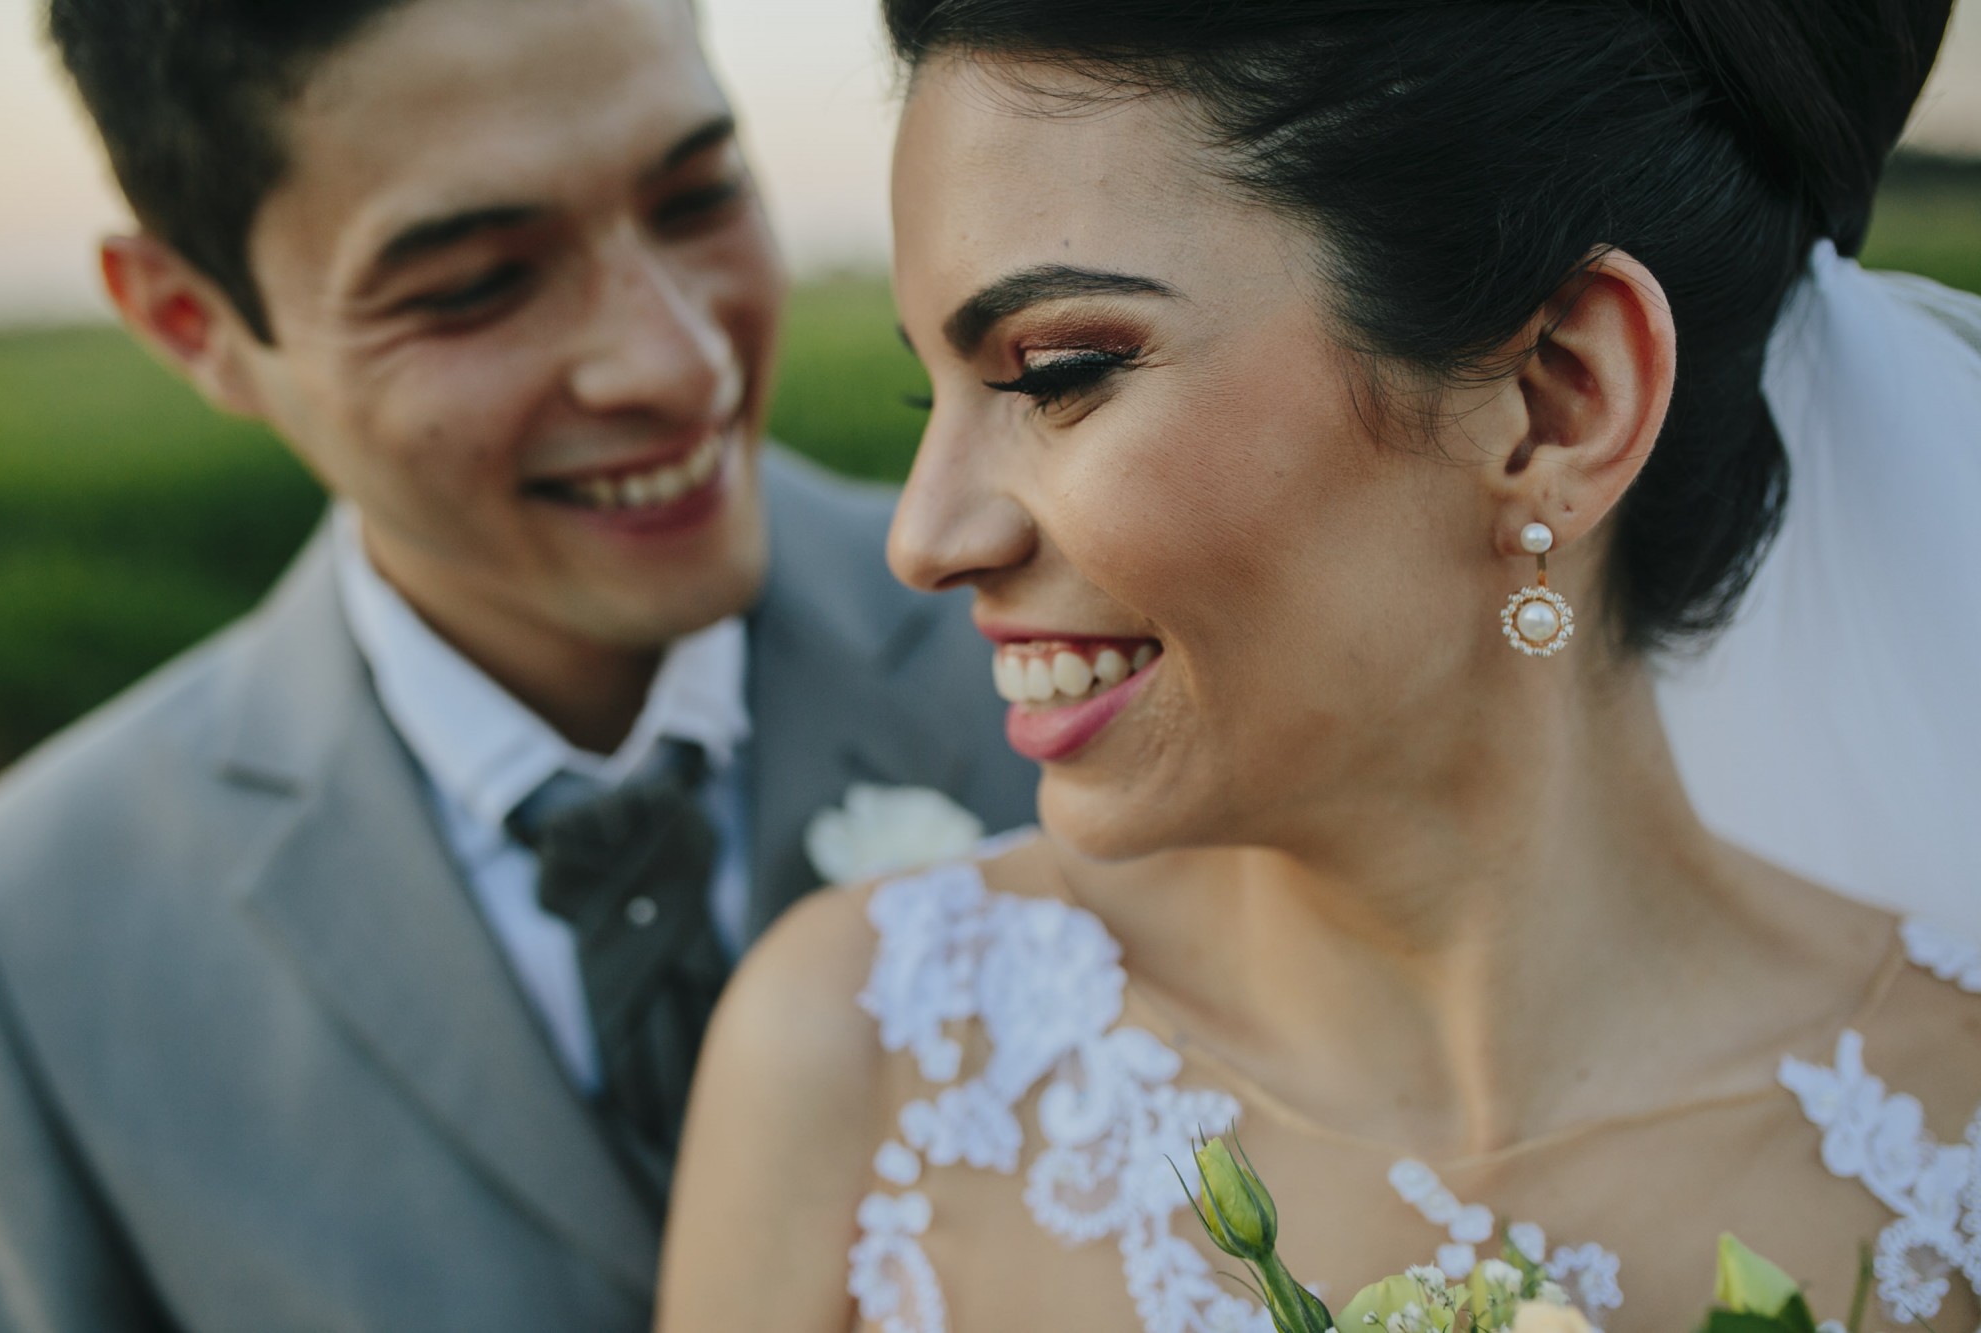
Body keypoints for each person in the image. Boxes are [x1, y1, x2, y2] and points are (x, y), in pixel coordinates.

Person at [657, 1, 1981, 1329]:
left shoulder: (1950, 1148)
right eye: (925, 399)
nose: (924, 536)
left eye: (1058, 373)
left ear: (1555, 400)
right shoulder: (864, 1061)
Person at [0, 0, 1035, 1328]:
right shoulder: (26, 946)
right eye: (476, 285)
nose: (676, 359)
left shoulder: (1102, 677)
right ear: (193, 321)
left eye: (698, 195)